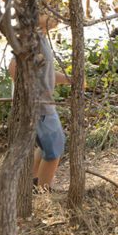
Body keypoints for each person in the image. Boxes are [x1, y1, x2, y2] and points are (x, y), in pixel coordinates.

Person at [8, 13, 77, 192]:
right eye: (49, 11)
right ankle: (44, 193)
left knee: (46, 146)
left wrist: (71, 79)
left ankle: (34, 183)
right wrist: (31, 95)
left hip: (43, 104)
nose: (56, 15)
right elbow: (14, 67)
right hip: (38, 105)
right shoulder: (32, 39)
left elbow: (46, 73)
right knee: (55, 147)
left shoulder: (42, 38)